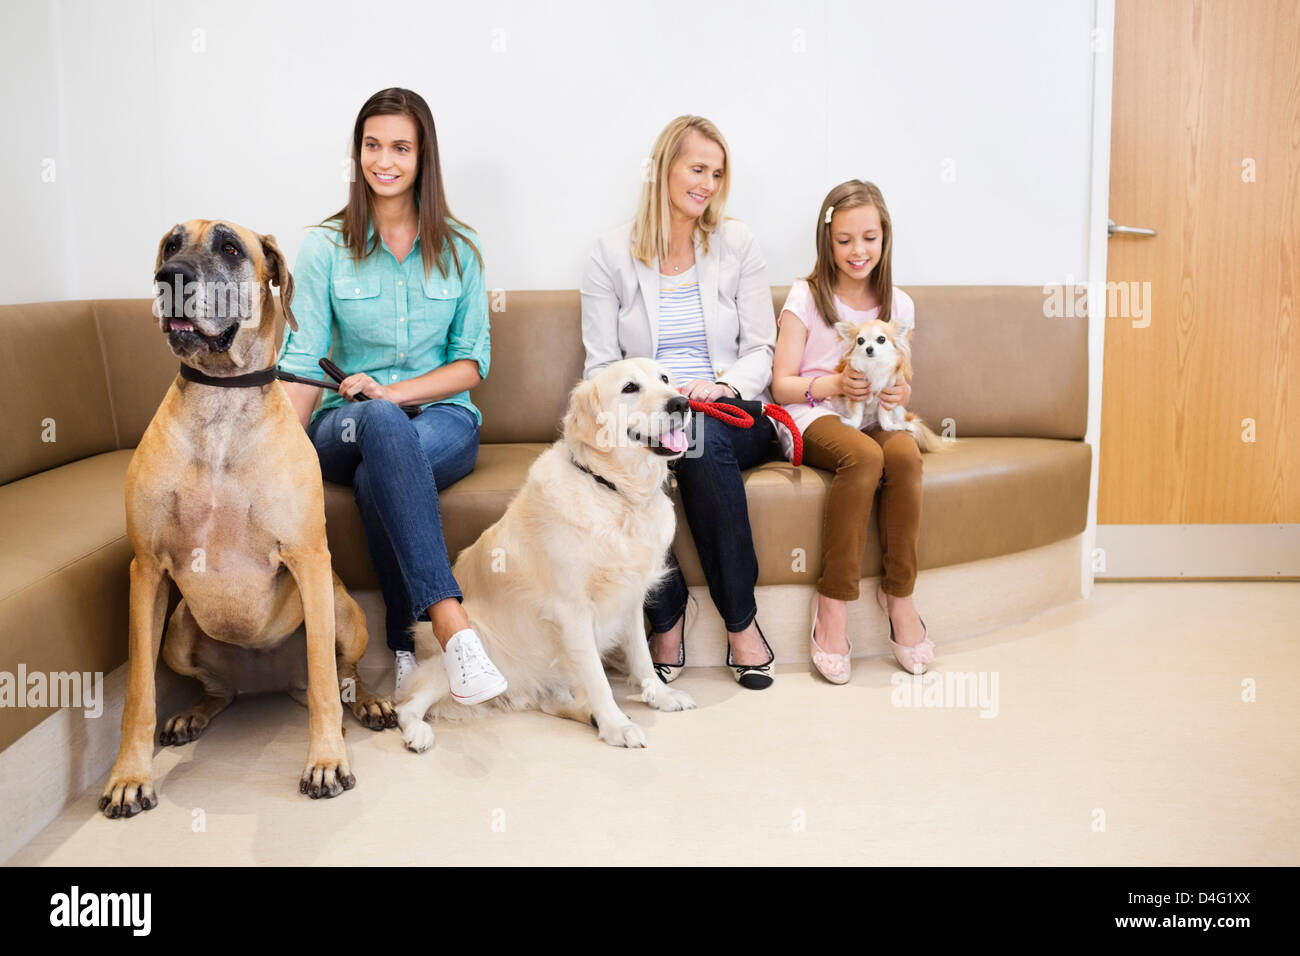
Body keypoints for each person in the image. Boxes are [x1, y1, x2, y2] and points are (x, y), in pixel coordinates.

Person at [278, 87, 507, 703]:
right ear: (357, 155)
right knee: (377, 423)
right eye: (372, 145)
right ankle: (452, 629)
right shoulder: (323, 248)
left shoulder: (461, 250)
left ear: (422, 157)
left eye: (400, 147)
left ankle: (405, 649)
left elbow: (469, 366)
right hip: (343, 429)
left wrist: (393, 391)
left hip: (443, 422)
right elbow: (299, 366)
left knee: (385, 469)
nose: (385, 160)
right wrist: (278, 461)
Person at [580, 115, 779, 689]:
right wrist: (643, 416)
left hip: (731, 411)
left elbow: (761, 348)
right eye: (697, 169)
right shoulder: (610, 255)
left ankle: (740, 622)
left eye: (717, 174)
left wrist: (722, 387)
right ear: (663, 169)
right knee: (654, 455)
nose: (708, 185)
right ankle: (666, 616)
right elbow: (600, 366)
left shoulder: (736, 244)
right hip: (652, 419)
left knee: (698, 438)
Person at [770, 180, 935, 682]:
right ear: (827, 242)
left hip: (871, 417)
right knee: (864, 457)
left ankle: (899, 594)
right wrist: (835, 383)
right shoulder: (806, 297)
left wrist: (900, 394)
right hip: (811, 414)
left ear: (885, 238)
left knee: (903, 455)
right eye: (844, 241)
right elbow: (780, 386)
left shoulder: (898, 305)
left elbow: (902, 374)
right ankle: (834, 602)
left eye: (869, 238)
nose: (857, 251)